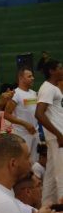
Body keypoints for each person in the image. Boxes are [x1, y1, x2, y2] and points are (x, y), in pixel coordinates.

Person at [35, 59, 63, 204]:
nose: (62, 70)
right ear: (52, 71)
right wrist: (59, 135)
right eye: (60, 68)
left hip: (56, 136)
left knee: (52, 176)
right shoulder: (47, 88)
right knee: (61, 175)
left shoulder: (54, 88)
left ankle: (47, 206)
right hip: (58, 137)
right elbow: (39, 114)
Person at [4, 68, 39, 162]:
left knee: (34, 162)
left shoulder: (34, 93)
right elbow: (6, 115)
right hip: (22, 134)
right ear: (21, 78)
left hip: (35, 133)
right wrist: (25, 124)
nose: (33, 78)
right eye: (29, 76)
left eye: (32, 76)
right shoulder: (16, 94)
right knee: (23, 162)